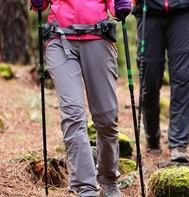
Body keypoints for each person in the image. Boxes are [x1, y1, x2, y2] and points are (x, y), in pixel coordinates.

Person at [30, 0, 131, 196]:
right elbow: (38, 7)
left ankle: (109, 180)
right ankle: (86, 187)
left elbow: (115, 6)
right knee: (73, 114)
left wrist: (120, 6)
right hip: (59, 39)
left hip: (98, 36)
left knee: (106, 117)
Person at [132, 0, 189, 162]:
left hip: (182, 13)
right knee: (149, 83)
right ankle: (152, 138)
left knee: (183, 79)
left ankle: (178, 144)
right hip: (148, 12)